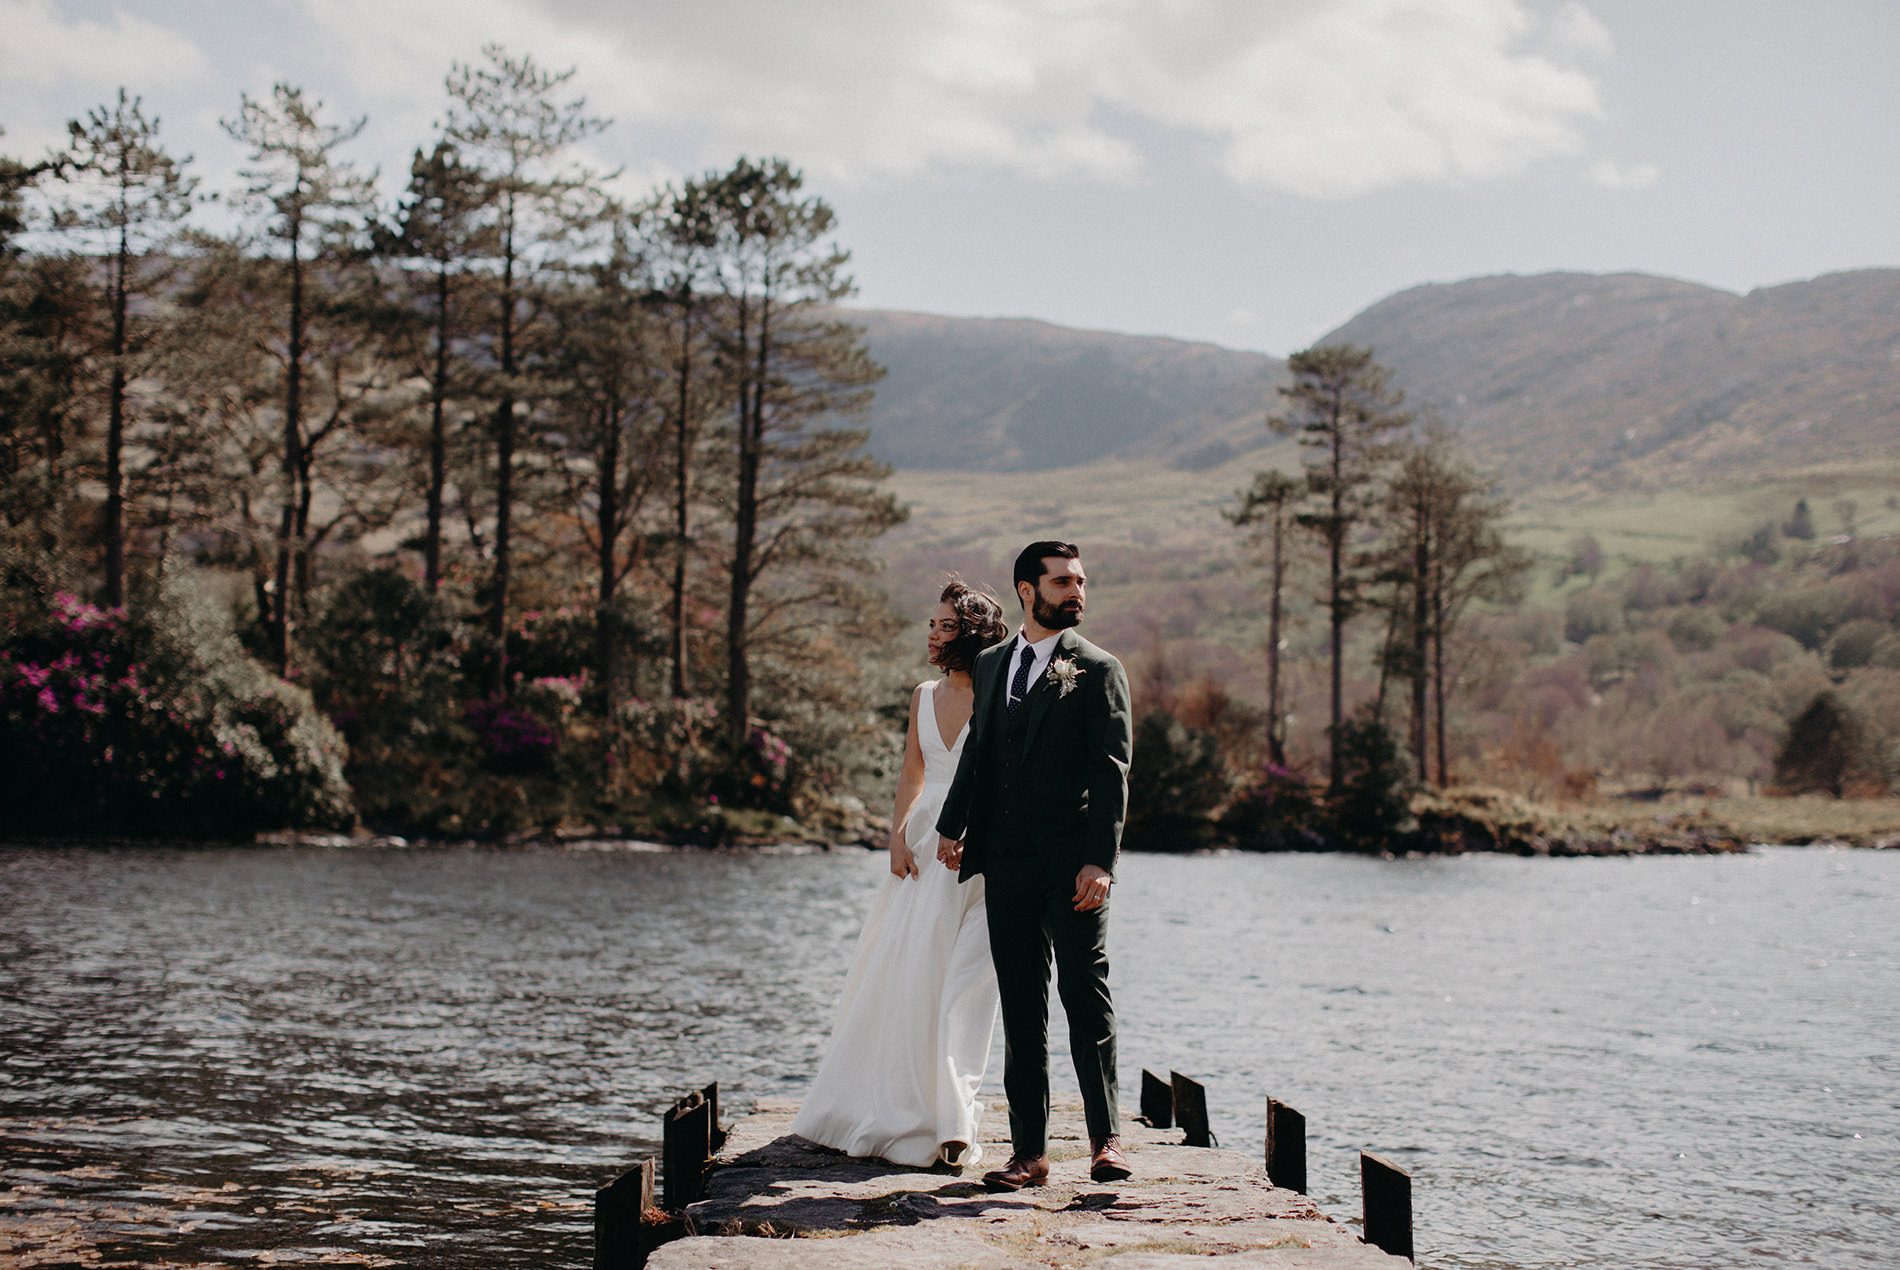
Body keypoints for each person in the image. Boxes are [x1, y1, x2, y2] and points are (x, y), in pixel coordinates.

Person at [935, 540, 1135, 1191]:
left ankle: (1106, 1141)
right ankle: (1029, 1154)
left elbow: (1112, 774)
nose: (1077, 591)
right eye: (1063, 582)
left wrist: (1100, 861)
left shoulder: (1099, 669)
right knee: (1023, 1009)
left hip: (1074, 868)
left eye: (1081, 581)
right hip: (1008, 864)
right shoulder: (992, 665)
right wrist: (952, 824)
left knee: (1085, 997)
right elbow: (980, 751)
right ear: (1028, 590)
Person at [792, 580, 1010, 1169]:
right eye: (932, 624)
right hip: (922, 852)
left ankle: (955, 1118)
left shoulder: (1002, 693)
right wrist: (895, 836)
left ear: (973, 633)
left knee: (967, 988)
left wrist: (980, 831)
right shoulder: (921, 694)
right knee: (912, 978)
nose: (934, 634)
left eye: (946, 625)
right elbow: (912, 771)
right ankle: (904, 1107)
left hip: (984, 854)